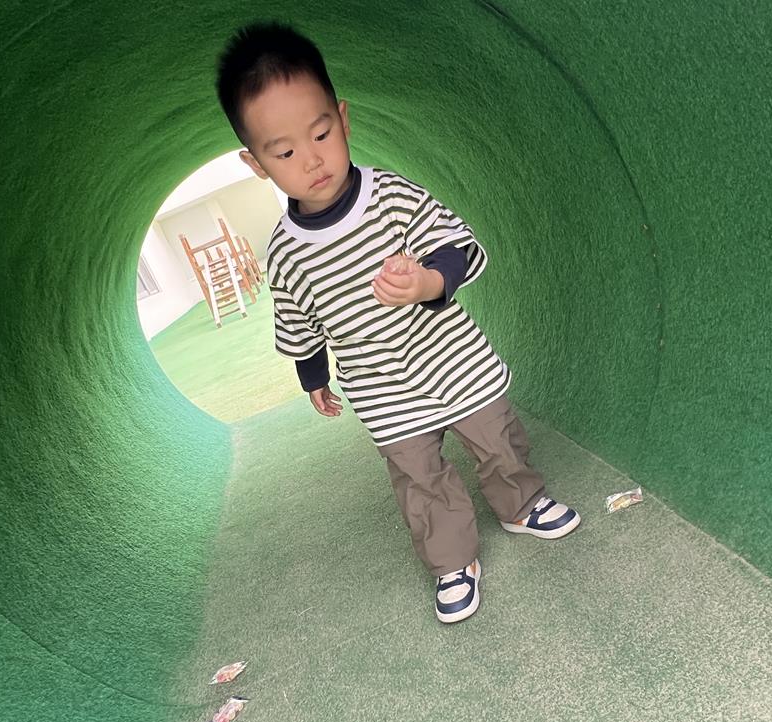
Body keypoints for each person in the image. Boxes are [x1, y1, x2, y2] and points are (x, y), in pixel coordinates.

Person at [216, 22, 580, 623]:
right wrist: (313, 376)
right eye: (284, 152)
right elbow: (298, 319)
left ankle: (522, 504)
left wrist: (429, 282)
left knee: (497, 435)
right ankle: (452, 560)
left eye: (321, 134)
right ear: (256, 164)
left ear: (343, 119)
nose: (312, 159)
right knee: (419, 478)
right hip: (380, 384)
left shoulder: (390, 195)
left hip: (450, 356)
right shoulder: (284, 252)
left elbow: (455, 245)